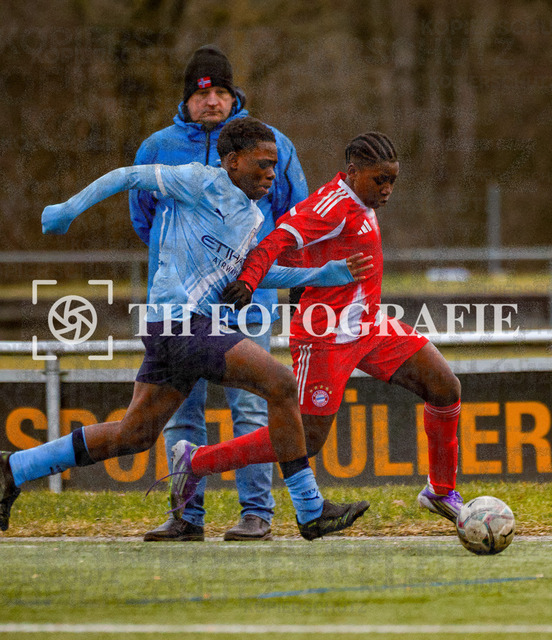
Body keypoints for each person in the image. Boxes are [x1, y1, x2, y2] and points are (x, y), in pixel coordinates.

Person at [0, 117, 369, 540]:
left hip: (176, 330)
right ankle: (309, 508)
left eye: (274, 165)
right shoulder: (199, 181)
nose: (271, 173)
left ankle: (14, 468)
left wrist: (322, 274)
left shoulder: (250, 215)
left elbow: (252, 273)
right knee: (282, 384)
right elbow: (127, 176)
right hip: (181, 325)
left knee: (134, 433)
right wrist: (69, 208)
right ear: (232, 161)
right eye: (263, 164)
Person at [170, 131, 464, 527]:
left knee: (445, 387)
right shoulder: (330, 206)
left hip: (370, 326)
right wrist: (250, 280)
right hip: (325, 337)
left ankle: (441, 492)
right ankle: (195, 461)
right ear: (353, 172)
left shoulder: (362, 200)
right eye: (380, 180)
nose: (388, 189)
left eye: (393, 180)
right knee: (304, 439)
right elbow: (273, 242)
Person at [131, 44, 309, 542]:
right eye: (201, 93)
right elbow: (143, 218)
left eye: (221, 92)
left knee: (250, 407)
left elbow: (294, 219)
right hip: (179, 309)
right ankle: (186, 516)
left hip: (245, 304)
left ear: (235, 96)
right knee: (180, 413)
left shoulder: (271, 144)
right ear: (186, 99)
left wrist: (281, 278)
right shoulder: (157, 147)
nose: (211, 101)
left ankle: (257, 513)